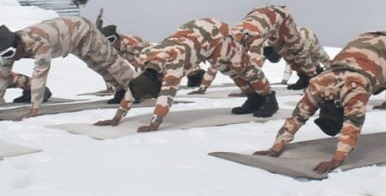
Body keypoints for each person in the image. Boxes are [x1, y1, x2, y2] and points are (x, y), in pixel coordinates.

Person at [253, 25, 386, 174]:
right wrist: (276, 147)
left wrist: (337, 159)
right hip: (368, 47)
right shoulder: (317, 85)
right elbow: (297, 118)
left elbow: (353, 125)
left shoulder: (353, 91)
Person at [96, 17, 277, 131]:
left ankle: (268, 98)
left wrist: (155, 123)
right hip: (195, 36)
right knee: (229, 70)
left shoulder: (174, 62)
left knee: (242, 67)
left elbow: (167, 94)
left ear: (159, 80)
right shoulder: (146, 58)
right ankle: (253, 97)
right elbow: (135, 88)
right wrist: (116, 118)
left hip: (214, 34)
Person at [0, 17, 137, 118]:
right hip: (69, 40)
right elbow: (2, 74)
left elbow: (40, 74)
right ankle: (121, 90)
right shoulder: (10, 48)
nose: (9, 57)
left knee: (108, 61)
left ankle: (137, 89)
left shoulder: (39, 43)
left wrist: (35, 107)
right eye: (4, 54)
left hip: (83, 30)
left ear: (19, 44)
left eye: (10, 53)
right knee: (95, 65)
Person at [232, 5, 322, 91]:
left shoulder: (254, 38)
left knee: (296, 48)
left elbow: (255, 63)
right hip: (266, 19)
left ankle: (311, 78)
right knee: (283, 50)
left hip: (281, 17)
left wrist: (250, 88)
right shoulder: (231, 35)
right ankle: (303, 76)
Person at [100, 24, 150, 104]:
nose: (110, 44)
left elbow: (143, 66)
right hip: (135, 62)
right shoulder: (109, 49)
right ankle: (121, 92)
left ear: (117, 37)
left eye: (111, 40)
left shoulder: (133, 43)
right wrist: (112, 87)